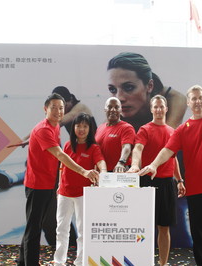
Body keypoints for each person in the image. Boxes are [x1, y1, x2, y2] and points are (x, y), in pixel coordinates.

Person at [138, 85, 202, 266]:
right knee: (199, 236)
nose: (197, 101)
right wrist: (153, 165)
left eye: (200, 97)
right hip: (195, 192)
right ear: (188, 102)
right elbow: (167, 150)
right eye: (193, 99)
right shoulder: (183, 129)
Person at [17, 93, 99, 266]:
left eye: (61, 108)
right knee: (34, 229)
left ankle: (21, 261)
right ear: (45, 109)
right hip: (37, 185)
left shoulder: (53, 126)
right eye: (53, 107)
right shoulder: (44, 129)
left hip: (48, 183)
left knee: (34, 225)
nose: (58, 111)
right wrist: (84, 171)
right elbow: (60, 154)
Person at [127, 94, 186, 266]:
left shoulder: (172, 132)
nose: (159, 110)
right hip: (146, 182)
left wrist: (180, 180)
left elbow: (173, 158)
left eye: (162, 107)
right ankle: (142, 261)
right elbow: (138, 148)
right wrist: (135, 165)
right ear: (152, 109)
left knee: (164, 227)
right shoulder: (145, 129)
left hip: (167, 183)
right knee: (143, 227)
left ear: (166, 109)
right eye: (156, 107)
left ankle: (163, 263)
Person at [54, 113, 106, 266]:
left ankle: (80, 261)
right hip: (64, 193)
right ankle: (59, 262)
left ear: (90, 129)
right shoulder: (68, 145)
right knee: (61, 229)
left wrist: (103, 173)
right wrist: (58, 186)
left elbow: (101, 162)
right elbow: (62, 167)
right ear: (73, 127)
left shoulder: (94, 148)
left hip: (83, 194)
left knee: (83, 231)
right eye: (78, 126)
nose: (81, 129)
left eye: (85, 126)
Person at [107, 52, 187, 131]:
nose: (119, 98)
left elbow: (166, 139)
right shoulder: (116, 107)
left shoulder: (173, 99)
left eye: (128, 87)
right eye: (112, 89)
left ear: (149, 86)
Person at [95, 97, 135, 172]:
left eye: (116, 107)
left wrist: (121, 162)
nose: (113, 110)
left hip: (120, 170)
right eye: (110, 107)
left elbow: (126, 147)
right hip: (102, 173)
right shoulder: (100, 128)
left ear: (120, 110)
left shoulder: (127, 128)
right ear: (105, 109)